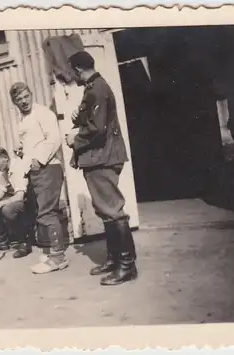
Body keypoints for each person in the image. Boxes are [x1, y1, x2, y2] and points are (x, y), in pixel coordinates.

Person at [65, 51, 138, 286]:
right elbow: (93, 120)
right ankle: (115, 259)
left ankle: (126, 265)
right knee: (105, 210)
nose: (70, 76)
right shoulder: (94, 87)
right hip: (98, 157)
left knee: (112, 210)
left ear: (77, 69)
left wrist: (74, 140)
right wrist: (78, 116)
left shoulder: (97, 88)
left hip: (102, 158)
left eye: (71, 72)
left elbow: (97, 129)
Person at [9, 82, 67, 274]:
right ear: (14, 102)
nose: (24, 101)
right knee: (42, 211)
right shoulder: (23, 120)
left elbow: (54, 138)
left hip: (48, 167)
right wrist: (23, 152)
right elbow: (34, 142)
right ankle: (50, 252)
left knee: (47, 213)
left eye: (26, 96)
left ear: (31, 94)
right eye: (19, 99)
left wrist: (38, 160)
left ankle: (58, 258)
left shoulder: (43, 113)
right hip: (35, 171)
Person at [0, 147, 34, 258]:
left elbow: (20, 196)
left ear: (5, 158)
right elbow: (2, 191)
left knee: (8, 209)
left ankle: (24, 243)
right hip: (19, 200)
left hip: (29, 201)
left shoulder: (17, 167)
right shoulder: (5, 171)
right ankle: (2, 242)